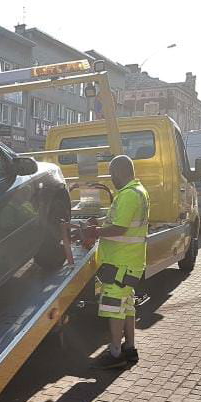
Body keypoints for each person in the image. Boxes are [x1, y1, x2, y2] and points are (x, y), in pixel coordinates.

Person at [84, 155, 150, 369]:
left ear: (121, 172)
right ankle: (129, 349)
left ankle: (115, 353)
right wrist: (100, 224)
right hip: (130, 261)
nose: (111, 179)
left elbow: (119, 228)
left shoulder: (129, 195)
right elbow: (120, 222)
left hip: (121, 263)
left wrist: (95, 232)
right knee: (127, 306)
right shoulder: (137, 191)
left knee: (113, 307)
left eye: (112, 174)